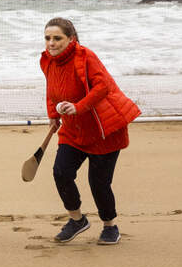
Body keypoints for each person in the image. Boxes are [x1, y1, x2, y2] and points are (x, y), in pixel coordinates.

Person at [40, 16, 140, 245]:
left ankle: (110, 225)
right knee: (61, 172)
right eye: (47, 38)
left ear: (71, 39)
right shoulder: (46, 60)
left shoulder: (85, 56)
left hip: (103, 129)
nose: (51, 43)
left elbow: (103, 86)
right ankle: (77, 220)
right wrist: (53, 115)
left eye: (57, 38)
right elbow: (51, 89)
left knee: (99, 183)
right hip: (73, 130)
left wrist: (78, 106)